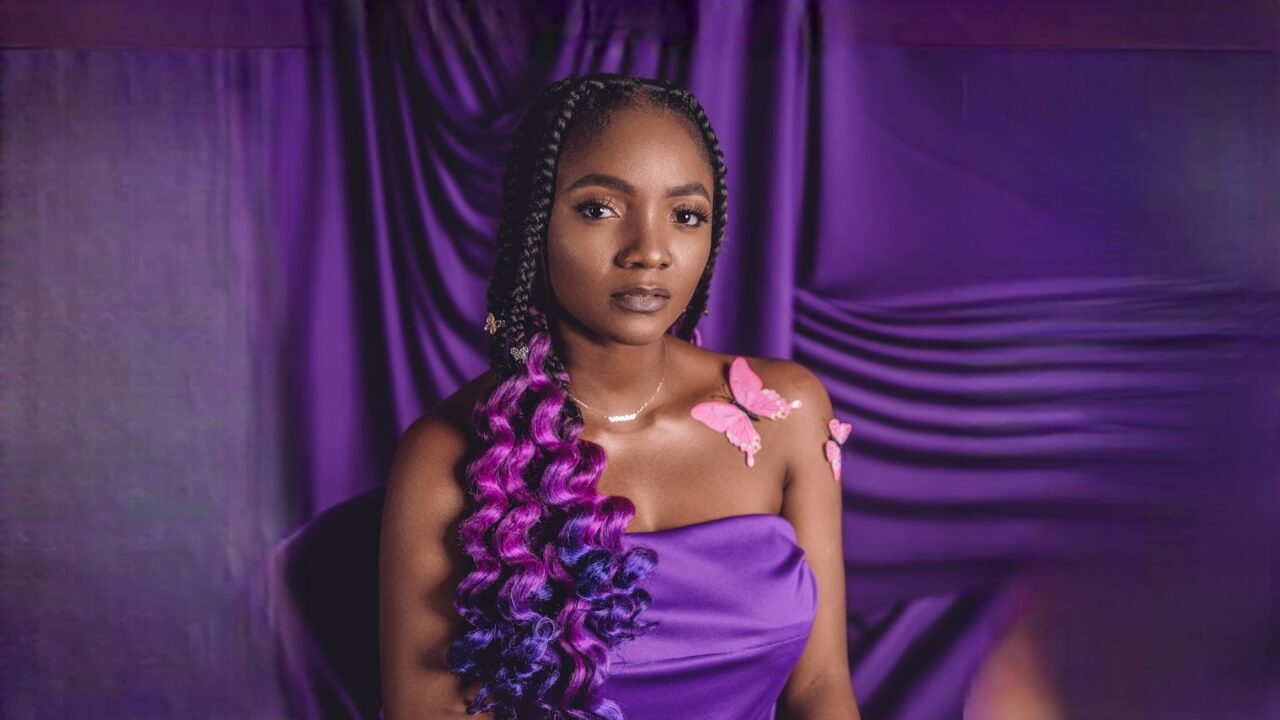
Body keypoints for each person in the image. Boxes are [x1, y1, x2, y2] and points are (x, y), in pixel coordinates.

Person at [379, 72, 860, 719]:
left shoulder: (787, 412)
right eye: (600, 209)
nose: (650, 251)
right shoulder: (446, 457)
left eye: (685, 216)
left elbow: (820, 684)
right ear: (535, 224)